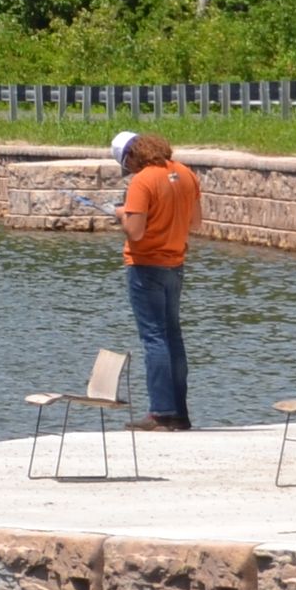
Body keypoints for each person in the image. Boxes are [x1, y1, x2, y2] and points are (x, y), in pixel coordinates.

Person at [112, 128, 200, 430]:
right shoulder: (185, 173)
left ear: (132, 157)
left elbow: (135, 231)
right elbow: (196, 221)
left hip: (145, 266)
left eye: (127, 165)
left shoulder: (143, 180)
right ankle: (179, 414)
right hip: (175, 265)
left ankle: (161, 412)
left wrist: (122, 214)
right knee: (173, 337)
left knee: (154, 339)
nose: (129, 171)